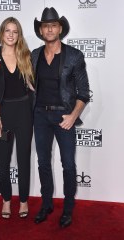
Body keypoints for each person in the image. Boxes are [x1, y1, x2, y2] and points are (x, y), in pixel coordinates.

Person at [32, 7, 89, 227]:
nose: (49, 29)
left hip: (64, 117)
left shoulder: (74, 55)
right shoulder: (34, 55)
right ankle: (46, 204)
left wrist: (73, 115)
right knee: (43, 163)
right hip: (40, 116)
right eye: (46, 26)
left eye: (53, 25)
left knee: (68, 164)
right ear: (41, 30)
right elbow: (29, 82)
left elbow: (83, 92)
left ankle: (68, 208)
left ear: (60, 28)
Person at [0, 17, 34, 219]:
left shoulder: (25, 56)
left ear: (19, 35)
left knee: (23, 160)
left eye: (15, 31)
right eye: (7, 30)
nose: (11, 34)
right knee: (3, 161)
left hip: (24, 113)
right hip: (3, 114)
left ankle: (24, 201)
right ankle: (6, 201)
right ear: (1, 33)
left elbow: (32, 86)